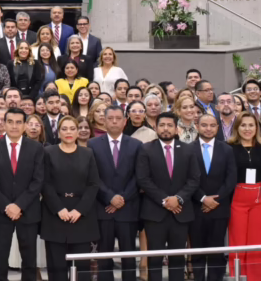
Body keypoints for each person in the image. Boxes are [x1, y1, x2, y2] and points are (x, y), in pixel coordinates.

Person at [0, 107, 46, 281]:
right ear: (4, 123)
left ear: (25, 125)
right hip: (0, 211)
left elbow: (38, 180)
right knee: (0, 259)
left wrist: (19, 205)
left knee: (29, 258)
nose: (14, 126)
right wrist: (6, 206)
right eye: (10, 122)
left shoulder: (36, 148)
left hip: (28, 211)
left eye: (18, 122)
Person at [136, 112, 200, 281]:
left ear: (176, 128)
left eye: (169, 125)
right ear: (155, 127)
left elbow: (194, 179)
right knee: (155, 257)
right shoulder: (146, 149)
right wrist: (165, 200)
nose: (165, 129)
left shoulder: (188, 149)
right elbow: (143, 179)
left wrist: (177, 199)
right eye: (162, 125)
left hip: (181, 212)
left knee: (177, 258)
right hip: (155, 213)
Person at [42, 116, 101, 281]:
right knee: (56, 267)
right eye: (64, 129)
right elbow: (45, 184)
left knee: (81, 270)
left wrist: (79, 210)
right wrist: (59, 209)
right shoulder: (48, 152)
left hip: (81, 217)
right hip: (55, 215)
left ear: (78, 132)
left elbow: (93, 184)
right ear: (58, 132)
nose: (69, 132)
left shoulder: (88, 153)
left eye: (72, 129)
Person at [88, 106, 141, 281]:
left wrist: (122, 198)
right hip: (104, 209)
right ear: (104, 120)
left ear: (125, 121)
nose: (114, 121)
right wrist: (110, 197)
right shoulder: (93, 144)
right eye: (110, 118)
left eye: (118, 118)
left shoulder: (136, 145)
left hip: (128, 209)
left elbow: (138, 176)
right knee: (104, 256)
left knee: (128, 257)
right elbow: (93, 177)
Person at [187, 114, 235, 281]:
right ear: (197, 126)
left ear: (217, 127)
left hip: (219, 208)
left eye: (212, 125)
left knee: (216, 250)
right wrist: (202, 198)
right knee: (198, 250)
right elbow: (186, 179)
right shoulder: (188, 149)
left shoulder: (227, 149)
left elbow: (231, 179)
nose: (208, 128)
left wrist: (216, 200)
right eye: (205, 125)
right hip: (196, 207)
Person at [227, 111, 261, 281]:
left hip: (260, 200)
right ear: (237, 128)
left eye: (251, 125)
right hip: (237, 199)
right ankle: (237, 276)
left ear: (256, 128)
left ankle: (257, 278)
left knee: (258, 241)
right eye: (243, 125)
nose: (247, 129)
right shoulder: (229, 147)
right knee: (237, 240)